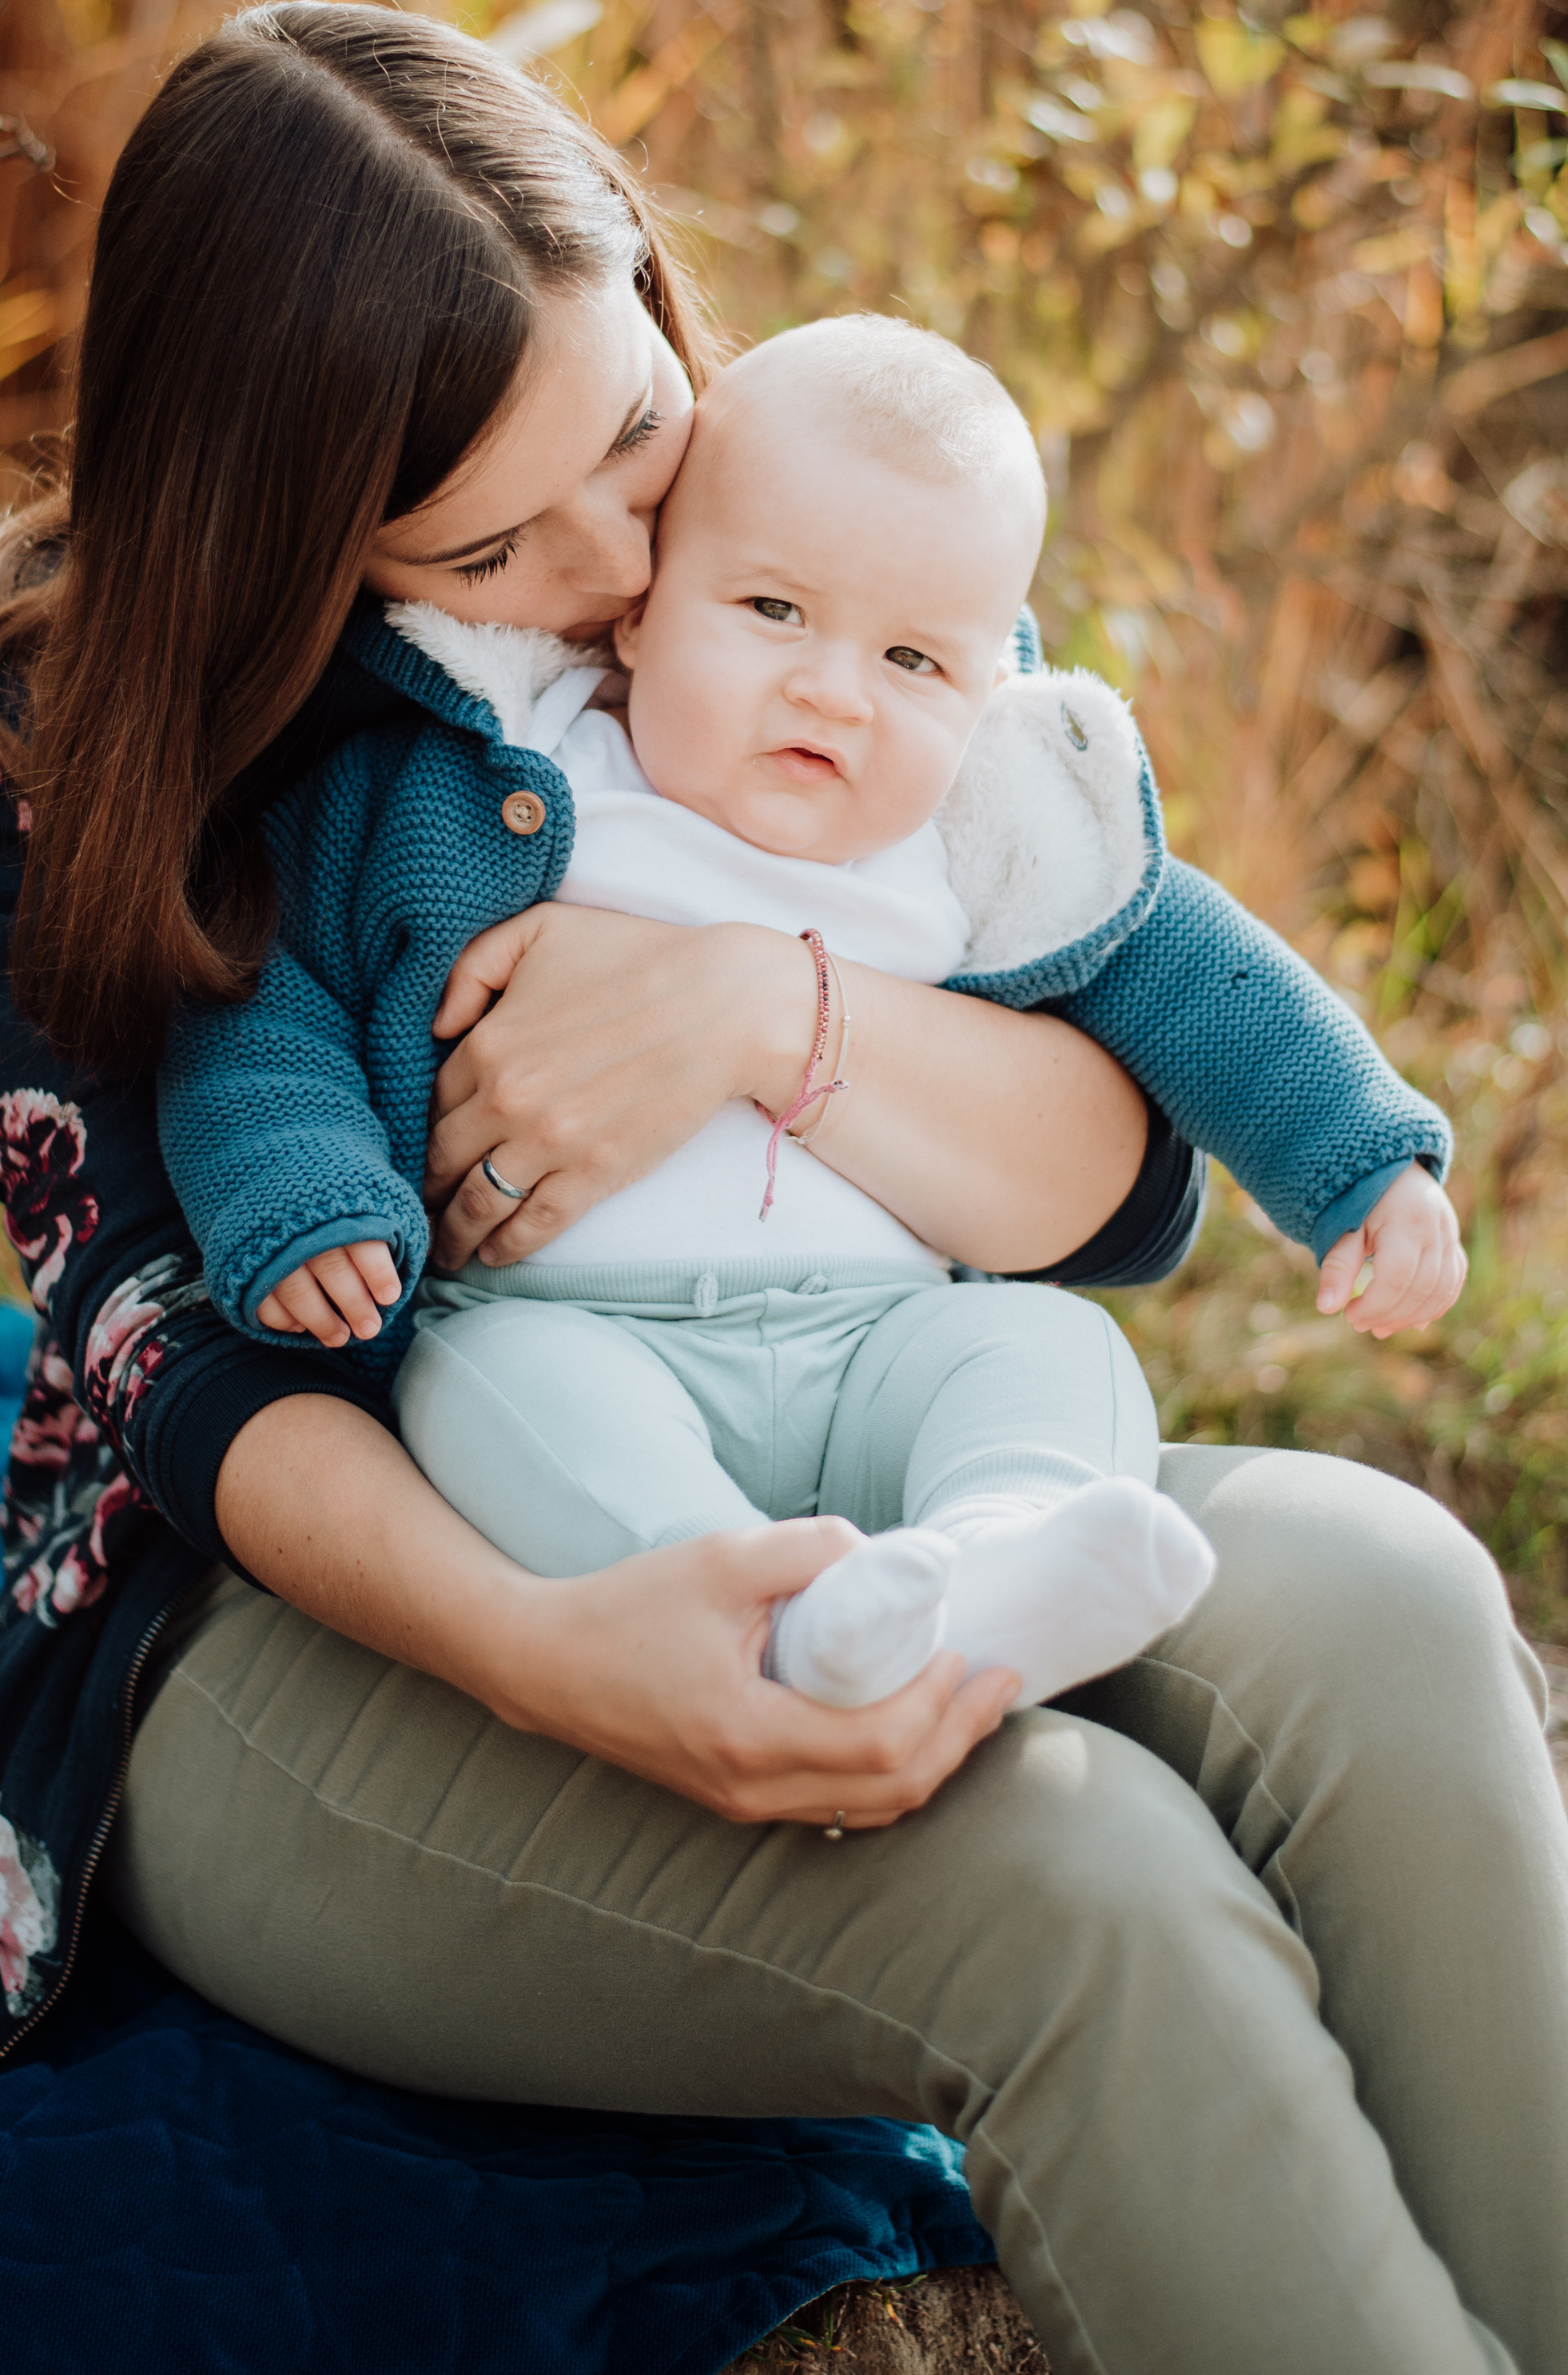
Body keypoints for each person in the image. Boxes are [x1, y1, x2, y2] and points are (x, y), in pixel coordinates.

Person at [0, 0, 1568, 2375]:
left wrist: (755, 1008)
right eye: (506, 540)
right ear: (316, 546)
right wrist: (558, 1648)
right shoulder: (30, 713)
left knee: (1406, 1595)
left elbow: (1098, 1157)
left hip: (841, 1419)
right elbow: (163, 1355)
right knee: (1071, 1876)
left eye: (632, 430)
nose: (628, 562)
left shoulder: (798, 531)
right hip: (309, 1619)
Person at [157, 314, 1463, 1721]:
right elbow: (263, 990)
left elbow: (1199, 977)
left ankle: (995, 1558)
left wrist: (1362, 1160)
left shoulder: (981, 838)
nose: (833, 692)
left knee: (1048, 1353)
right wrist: (307, 1195)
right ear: (642, 607)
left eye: (915, 663)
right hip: (571, 1322)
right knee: (498, 1399)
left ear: (990, 689)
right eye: (773, 611)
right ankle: (759, 1612)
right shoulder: (489, 778)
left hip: (880, 1341)